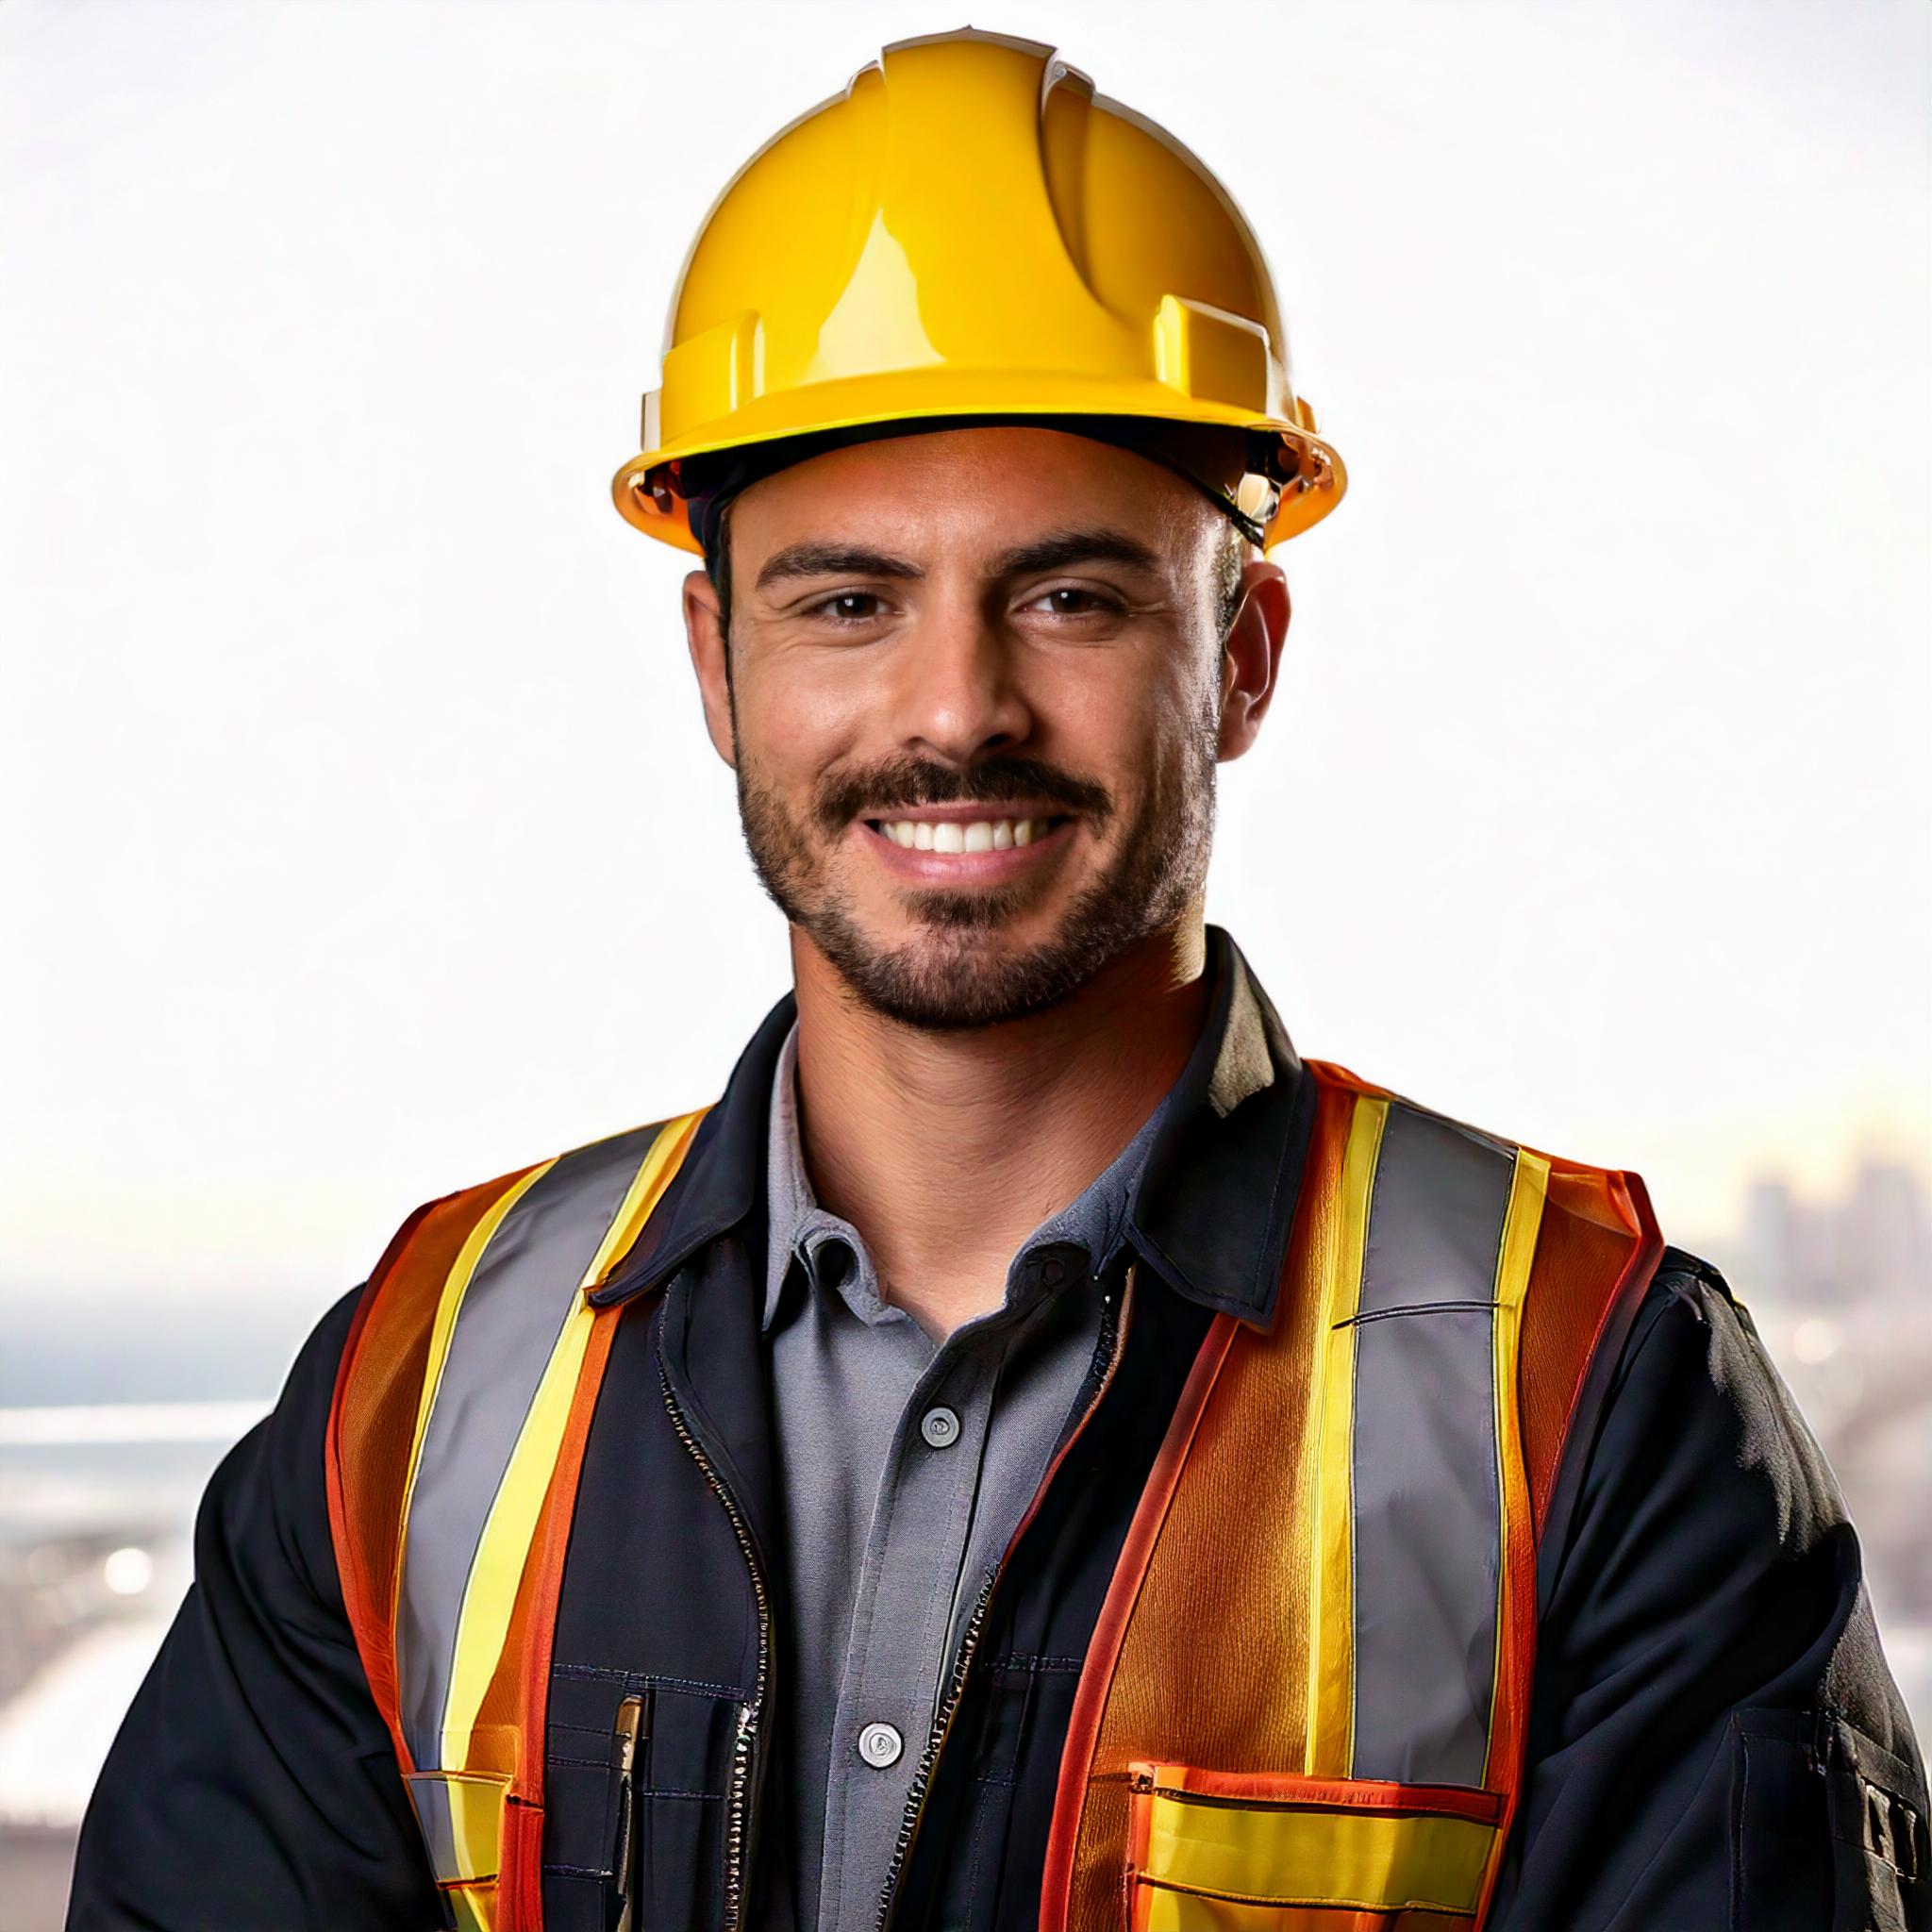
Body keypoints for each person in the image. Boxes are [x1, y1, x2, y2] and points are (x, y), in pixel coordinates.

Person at [68, 28, 1925, 1932]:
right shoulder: (425, 1380)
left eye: (1069, 594)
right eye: (848, 600)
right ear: (717, 664)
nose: (956, 706)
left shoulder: (1588, 1392)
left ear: (1243, 654)